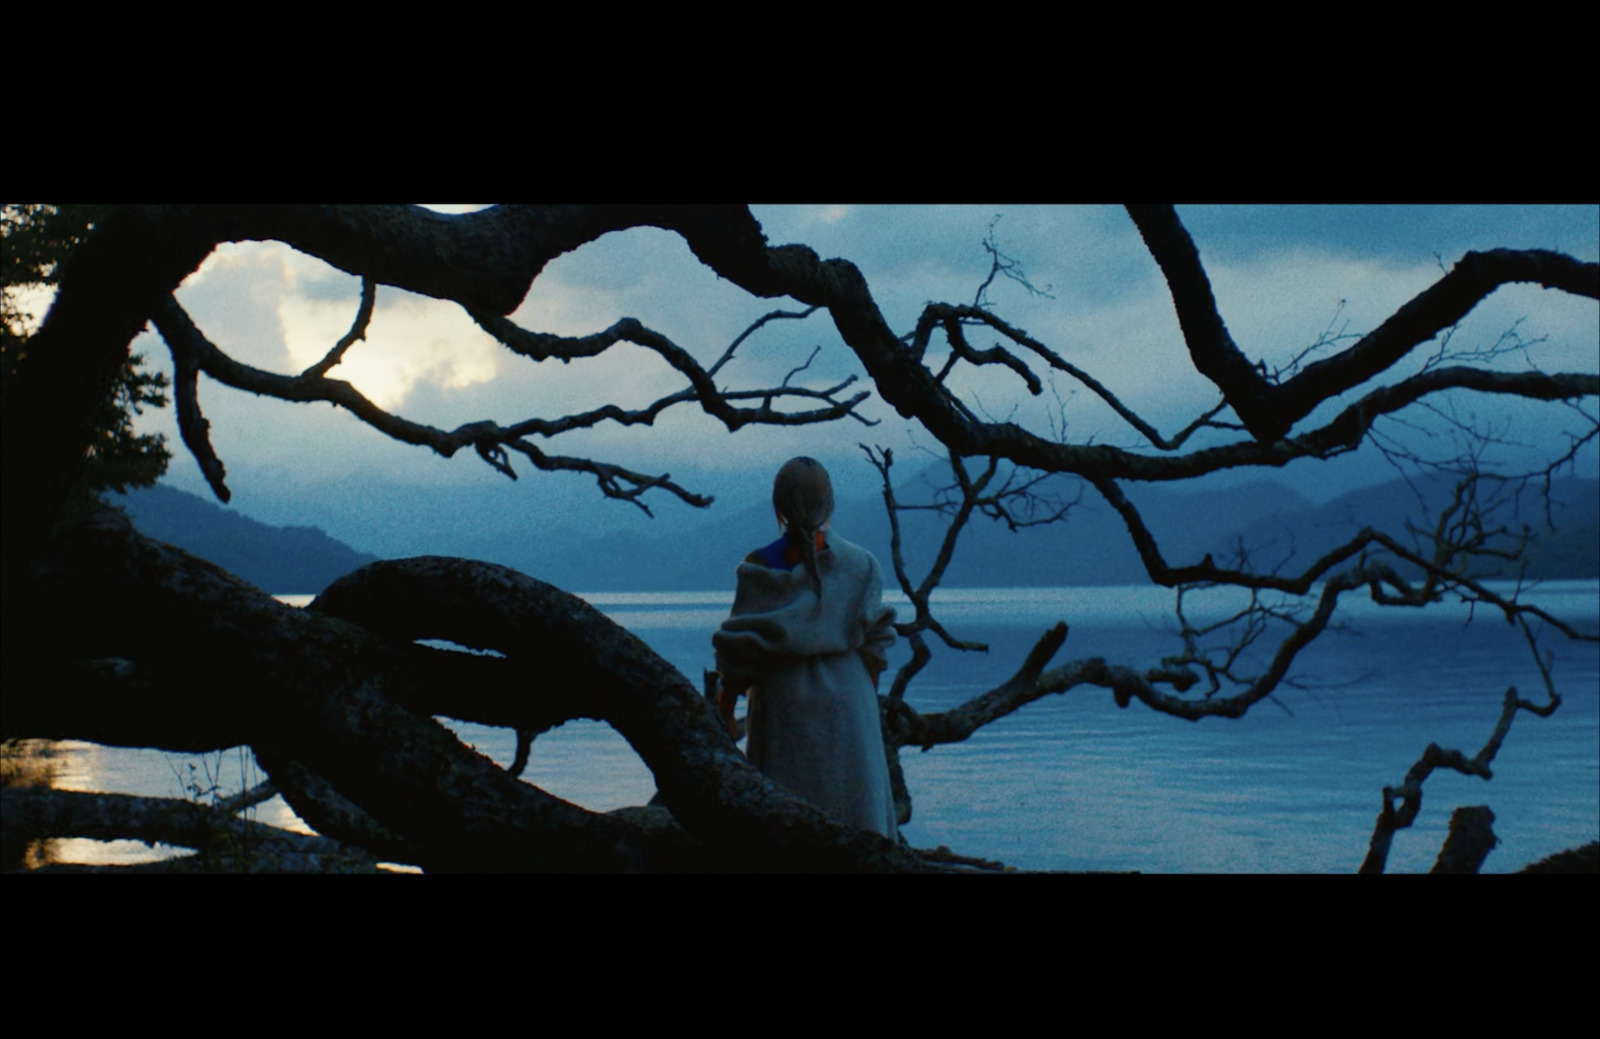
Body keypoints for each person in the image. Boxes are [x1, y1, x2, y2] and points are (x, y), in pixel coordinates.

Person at [712, 457, 899, 838]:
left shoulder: (760, 565)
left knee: (789, 826)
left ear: (778, 505)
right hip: (851, 699)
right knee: (856, 816)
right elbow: (875, 650)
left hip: (784, 704)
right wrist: (863, 703)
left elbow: (737, 654)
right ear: (830, 503)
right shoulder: (862, 565)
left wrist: (725, 708)